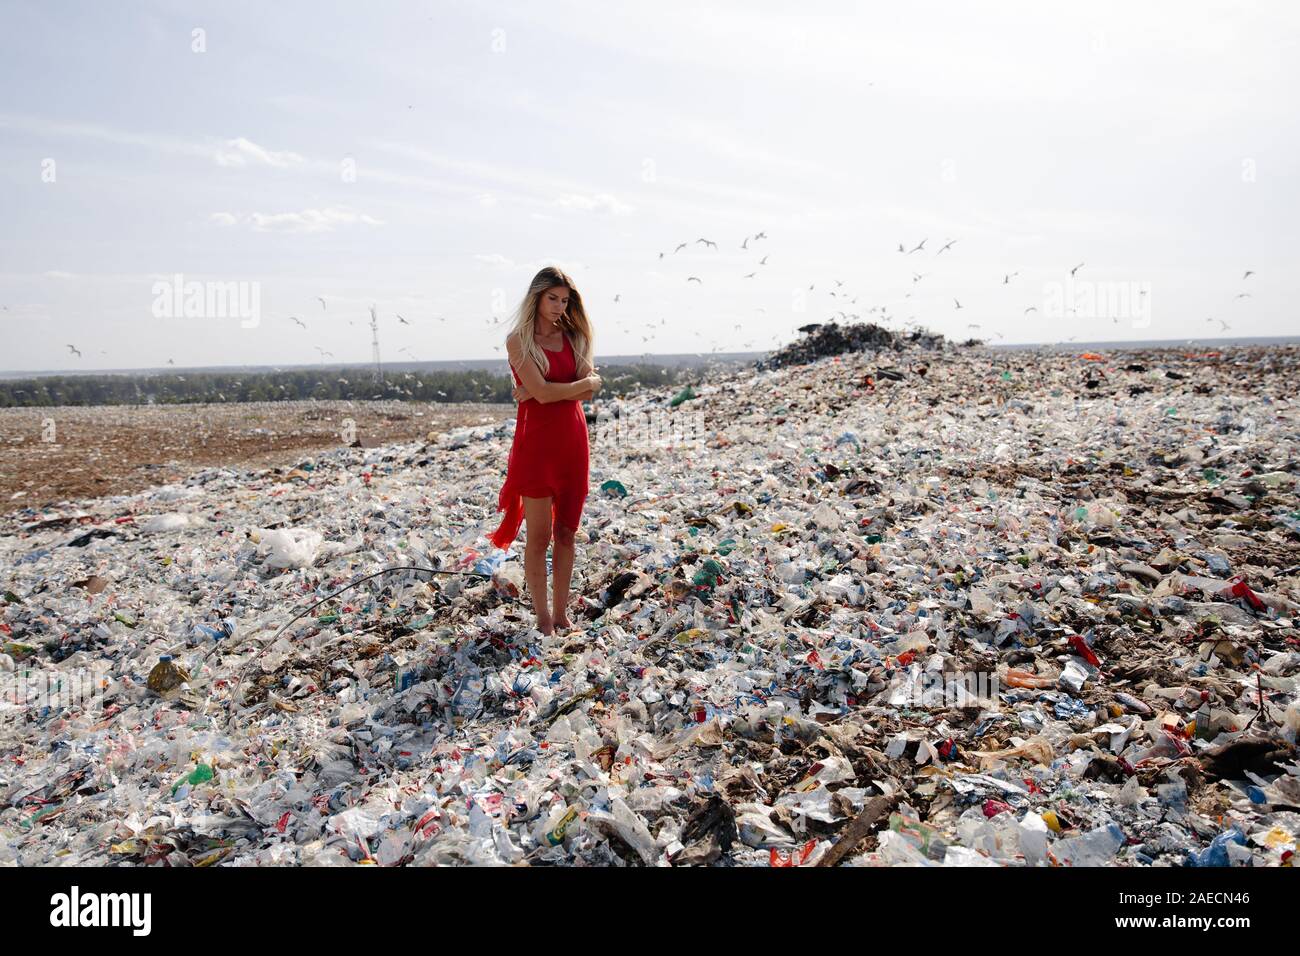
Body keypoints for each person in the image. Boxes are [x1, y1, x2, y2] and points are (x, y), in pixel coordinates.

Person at [488, 266, 602, 635]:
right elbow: (556, 391)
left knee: (567, 532)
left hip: (572, 442)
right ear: (536, 297)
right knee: (539, 537)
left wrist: (549, 390)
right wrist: (570, 386)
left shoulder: (574, 336)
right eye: (552, 298)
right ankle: (541, 618)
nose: (558, 306)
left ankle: (561, 613)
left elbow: (579, 390)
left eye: (564, 300)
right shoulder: (518, 341)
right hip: (535, 446)